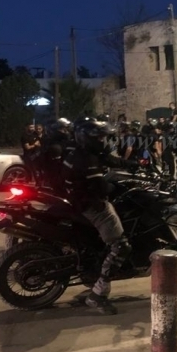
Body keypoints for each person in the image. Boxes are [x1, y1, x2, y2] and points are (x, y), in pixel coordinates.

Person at [62, 118, 138, 314]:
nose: (103, 141)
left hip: (77, 201)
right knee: (121, 246)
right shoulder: (88, 161)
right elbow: (101, 187)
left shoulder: (79, 153)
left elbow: (109, 159)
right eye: (99, 138)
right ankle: (98, 295)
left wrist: (132, 164)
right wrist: (119, 184)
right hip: (92, 205)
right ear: (88, 138)